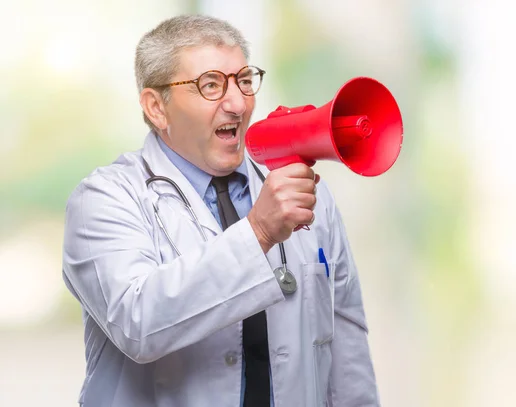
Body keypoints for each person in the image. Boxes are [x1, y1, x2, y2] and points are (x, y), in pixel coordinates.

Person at [62, 14, 379, 407]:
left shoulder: (303, 193)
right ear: (156, 107)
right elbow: (138, 324)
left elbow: (347, 348)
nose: (238, 104)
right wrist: (259, 232)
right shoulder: (104, 199)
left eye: (244, 80)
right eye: (210, 85)